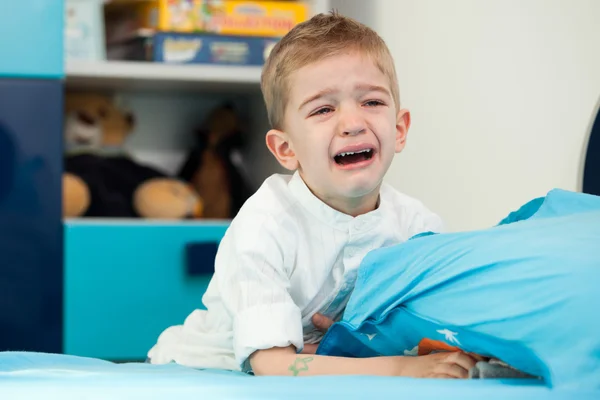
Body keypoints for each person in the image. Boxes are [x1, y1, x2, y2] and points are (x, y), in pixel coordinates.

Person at [148, 11, 478, 378]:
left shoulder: (419, 227)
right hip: (210, 369)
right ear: (286, 149)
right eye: (323, 109)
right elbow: (273, 365)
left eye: (371, 102)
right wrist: (400, 367)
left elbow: (442, 328)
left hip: (332, 367)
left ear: (399, 130)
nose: (353, 123)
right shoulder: (265, 225)